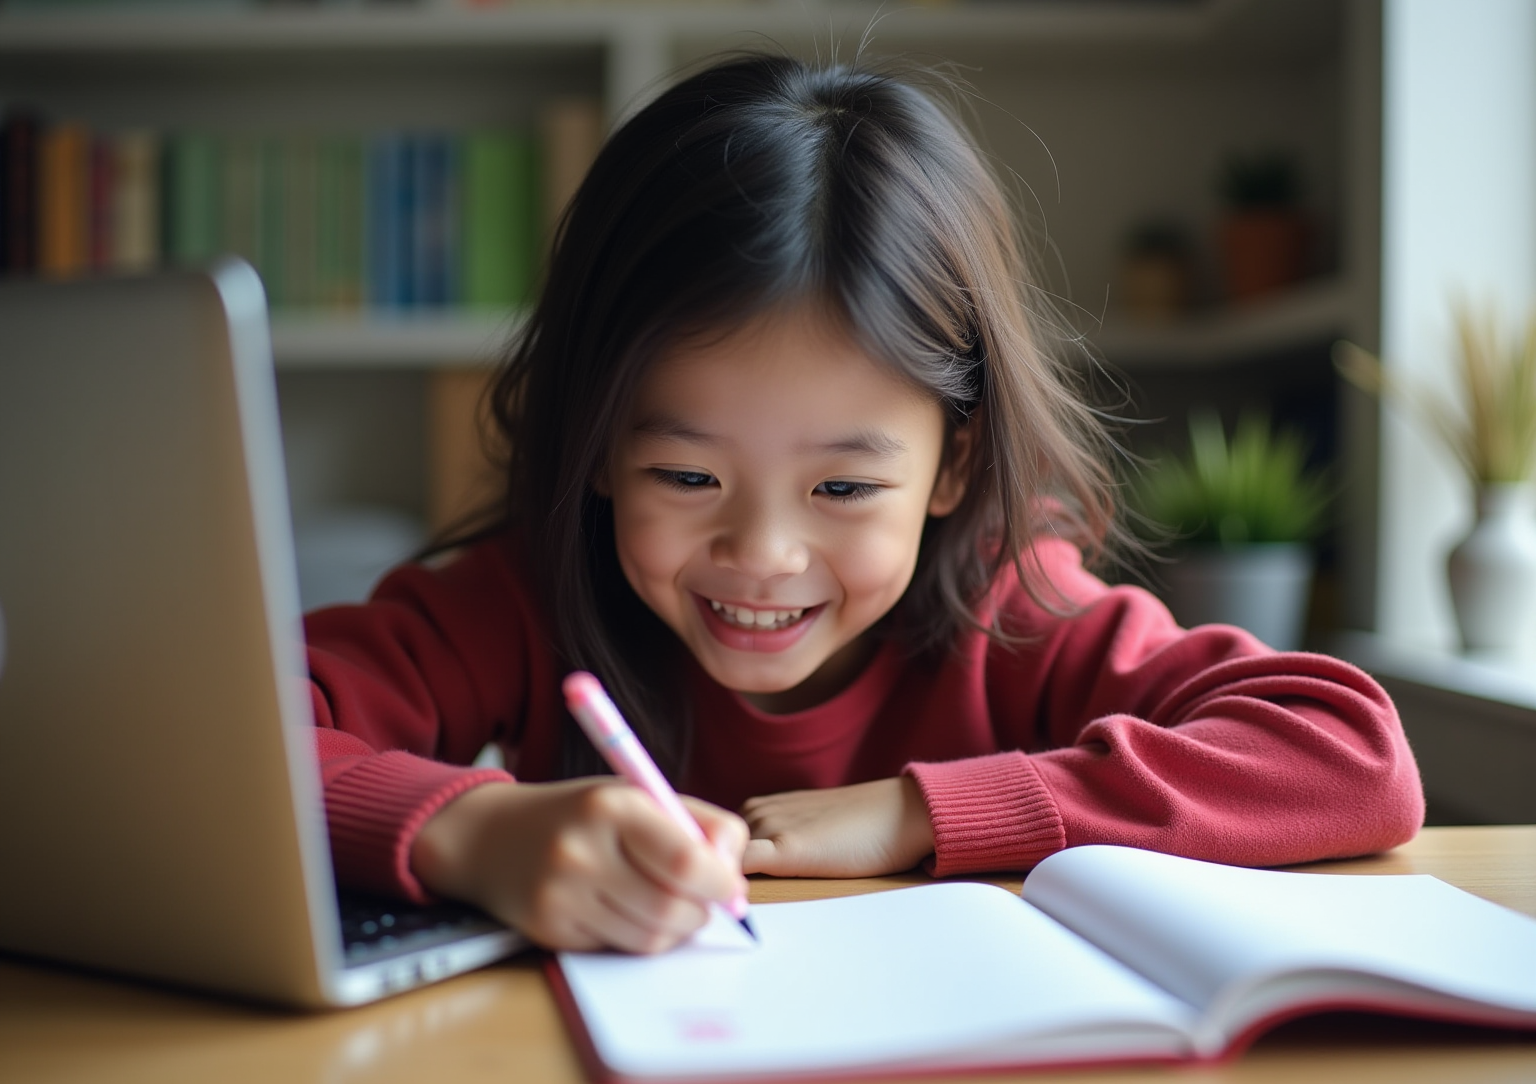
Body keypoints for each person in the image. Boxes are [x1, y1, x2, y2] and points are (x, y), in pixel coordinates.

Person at [306, 53, 1423, 954]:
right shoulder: (525, 598)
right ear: (594, 445)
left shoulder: (1009, 604)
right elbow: (226, 742)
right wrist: (477, 829)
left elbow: (1349, 754)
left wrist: (917, 812)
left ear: (952, 465)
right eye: (686, 478)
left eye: (843, 487)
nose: (763, 552)